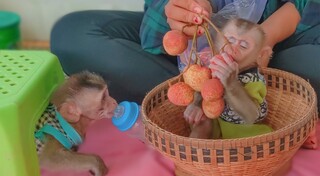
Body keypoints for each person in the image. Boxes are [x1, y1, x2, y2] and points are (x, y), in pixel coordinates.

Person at [50, 0, 320, 114]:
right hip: (186, 50)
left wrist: (260, 41)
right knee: (72, 34)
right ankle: (212, 101)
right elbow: (163, 13)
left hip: (275, 42)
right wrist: (183, 11)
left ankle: (241, 96)